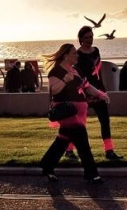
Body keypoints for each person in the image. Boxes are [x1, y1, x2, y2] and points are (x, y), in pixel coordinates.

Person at [39, 43, 109, 183]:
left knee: (62, 140)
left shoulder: (76, 70)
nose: (77, 55)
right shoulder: (56, 71)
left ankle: (47, 166)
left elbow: (87, 86)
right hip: (68, 112)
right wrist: (65, 80)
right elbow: (54, 90)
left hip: (78, 112)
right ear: (66, 55)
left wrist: (101, 94)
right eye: (74, 53)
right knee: (82, 142)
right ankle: (92, 174)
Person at [64, 26, 123, 161]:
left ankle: (109, 151)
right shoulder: (77, 55)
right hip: (84, 91)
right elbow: (79, 75)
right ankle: (69, 150)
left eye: (91, 37)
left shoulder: (96, 51)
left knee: (105, 121)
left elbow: (98, 71)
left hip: (99, 90)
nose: (89, 40)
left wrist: (102, 90)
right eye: (86, 38)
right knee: (78, 123)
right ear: (81, 39)